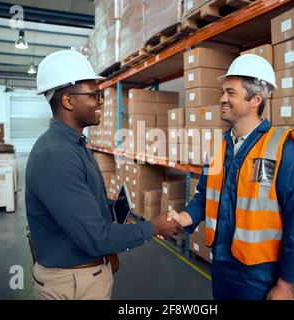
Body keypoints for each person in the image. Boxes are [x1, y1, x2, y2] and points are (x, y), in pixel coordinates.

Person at [25, 50, 182, 300]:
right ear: (68, 100)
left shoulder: (74, 145)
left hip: (82, 278)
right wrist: (153, 227)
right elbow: (96, 238)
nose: (101, 101)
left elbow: (75, 205)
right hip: (72, 285)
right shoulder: (56, 155)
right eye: (95, 95)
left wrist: (108, 206)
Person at [168, 54, 294, 300]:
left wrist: (285, 285)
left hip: (260, 272)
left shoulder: (282, 147)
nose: (222, 99)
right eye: (223, 92)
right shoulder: (220, 147)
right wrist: (183, 218)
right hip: (222, 263)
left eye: (231, 93)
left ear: (256, 99)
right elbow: (205, 195)